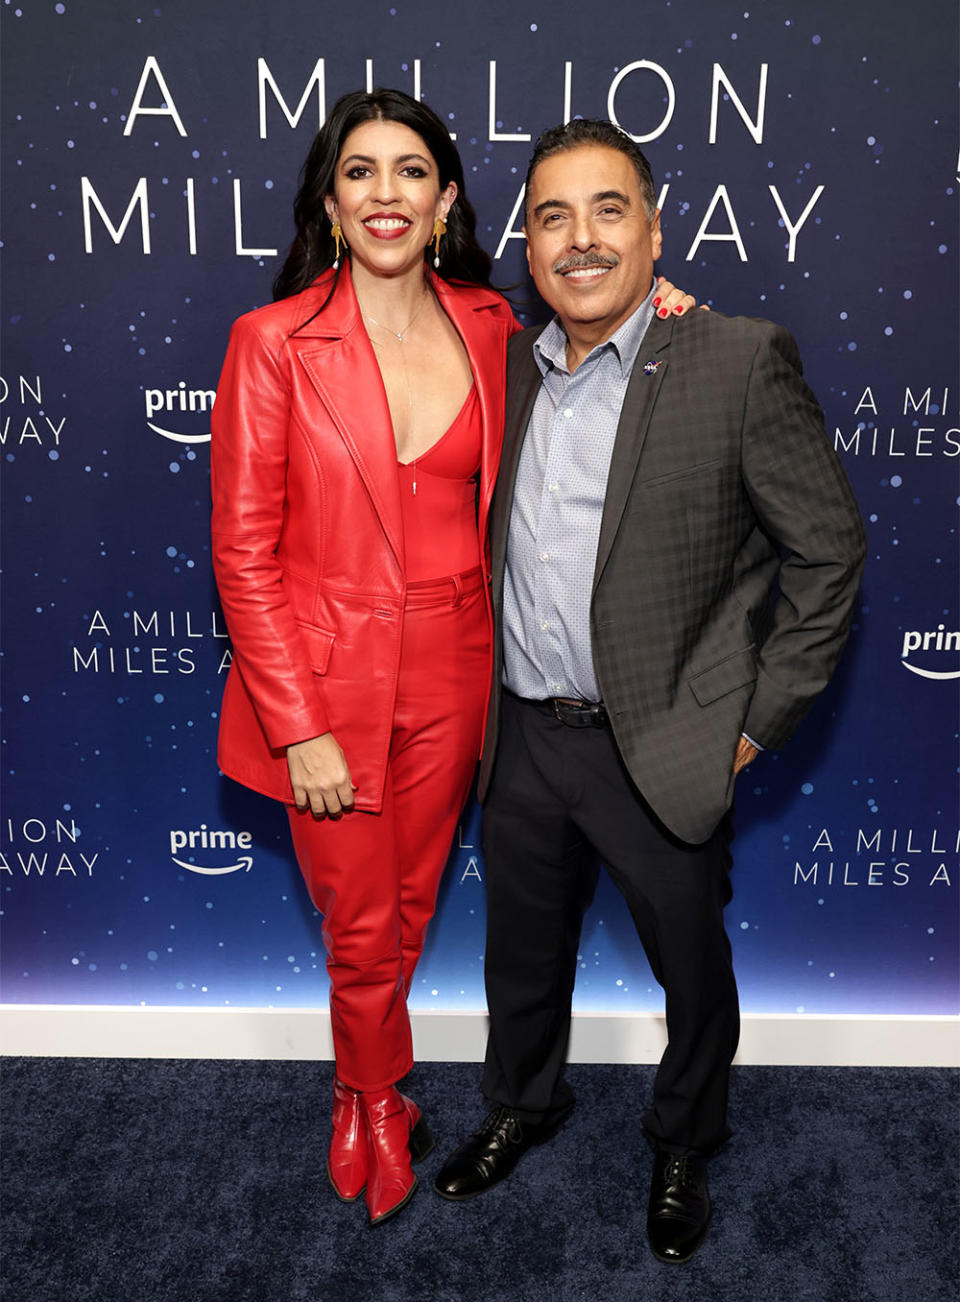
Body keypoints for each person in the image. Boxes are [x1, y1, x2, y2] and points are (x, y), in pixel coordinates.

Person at [211, 87, 700, 1227]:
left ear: (446, 200)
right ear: (330, 201)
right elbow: (243, 556)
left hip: (462, 674)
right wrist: (300, 724)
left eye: (411, 172)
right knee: (358, 916)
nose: (387, 193)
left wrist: (668, 309)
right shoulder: (272, 342)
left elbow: (606, 346)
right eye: (362, 172)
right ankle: (369, 1096)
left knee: (415, 903)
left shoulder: (490, 325)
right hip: (326, 681)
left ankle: (374, 1080)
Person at [434, 119, 867, 1264]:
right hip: (522, 737)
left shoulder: (734, 358)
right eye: (552, 216)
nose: (579, 240)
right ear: (527, 242)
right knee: (520, 956)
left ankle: (686, 1137)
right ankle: (523, 1105)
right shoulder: (504, 372)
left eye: (607, 208)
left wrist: (754, 723)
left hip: (665, 739)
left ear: (656, 226)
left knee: (691, 965)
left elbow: (829, 554)